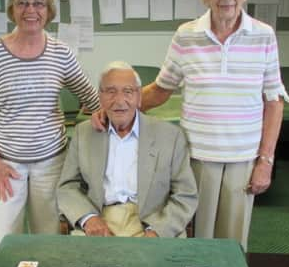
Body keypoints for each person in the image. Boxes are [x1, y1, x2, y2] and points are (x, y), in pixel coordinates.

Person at [93, 0, 289, 249]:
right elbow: (161, 90)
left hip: (243, 157)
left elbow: (274, 101)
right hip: (196, 157)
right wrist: (117, 108)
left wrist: (266, 161)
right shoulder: (187, 36)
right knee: (195, 239)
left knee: (234, 242)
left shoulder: (263, 36)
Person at [0, 0, 100, 253]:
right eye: (23, 3)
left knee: (49, 239)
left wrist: (111, 115)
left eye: (39, 3)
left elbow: (89, 95)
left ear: (49, 11)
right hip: (5, 164)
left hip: (51, 162)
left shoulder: (61, 53)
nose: (31, 10)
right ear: (12, 9)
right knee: (7, 240)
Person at [58, 61, 198, 238]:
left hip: (152, 220)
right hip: (100, 220)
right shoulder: (84, 133)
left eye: (128, 92)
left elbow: (185, 195)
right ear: (100, 97)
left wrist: (158, 230)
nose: (119, 100)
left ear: (139, 97)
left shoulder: (170, 135)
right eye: (110, 91)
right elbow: (67, 186)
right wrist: (89, 219)